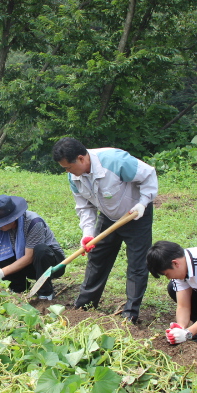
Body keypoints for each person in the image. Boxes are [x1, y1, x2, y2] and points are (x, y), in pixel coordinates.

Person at [52, 137, 157, 323]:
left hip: (135, 215)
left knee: (137, 265)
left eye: (68, 167)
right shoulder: (73, 176)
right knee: (97, 258)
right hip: (108, 217)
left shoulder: (115, 161)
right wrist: (88, 233)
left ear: (81, 159)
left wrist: (143, 203)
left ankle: (130, 314)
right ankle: (84, 306)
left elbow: (148, 175)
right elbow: (84, 207)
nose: (67, 172)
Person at [0, 195, 65, 299]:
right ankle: (18, 287)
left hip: (51, 264)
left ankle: (45, 292)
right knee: (0, 252)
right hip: (26, 263)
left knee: (40, 250)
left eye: (2, 223)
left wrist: (2, 272)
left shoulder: (33, 222)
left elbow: (29, 257)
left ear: (13, 218)